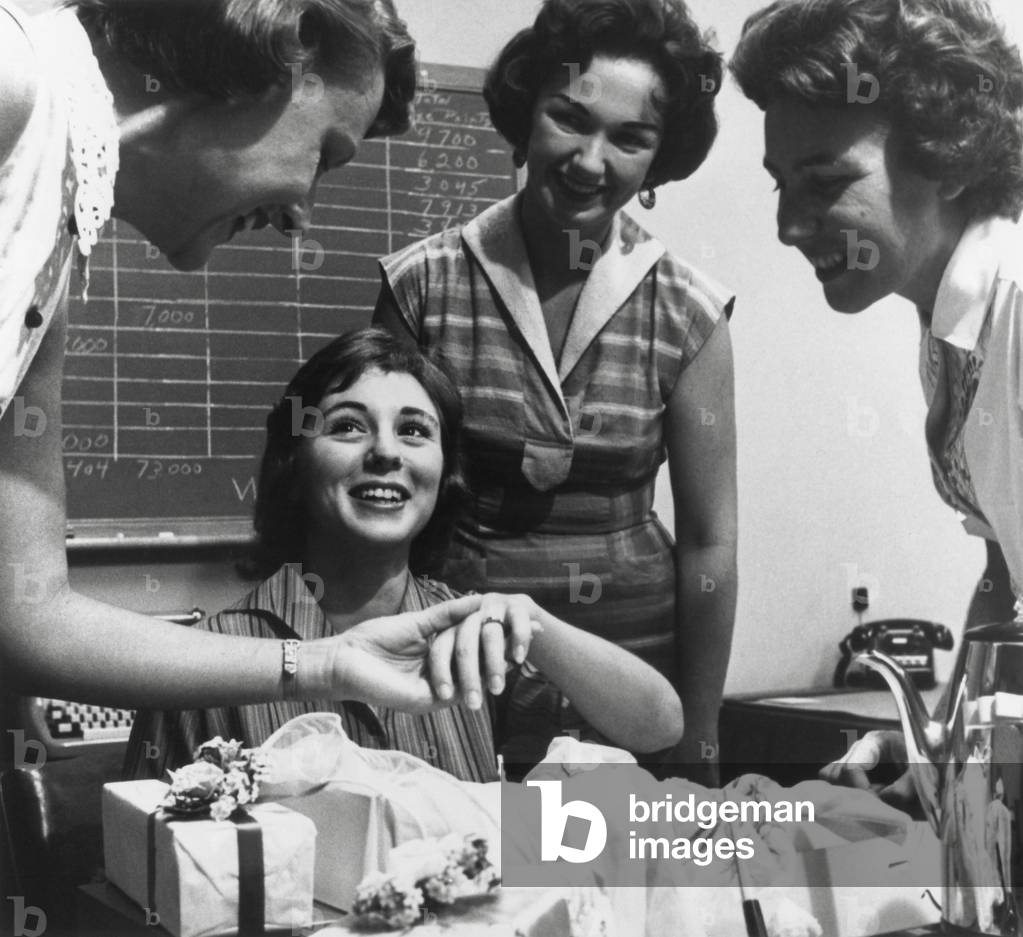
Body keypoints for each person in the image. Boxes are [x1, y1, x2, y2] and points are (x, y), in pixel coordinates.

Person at [0, 0, 498, 725]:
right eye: (323, 155)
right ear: (277, 50)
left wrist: (326, 660)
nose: (302, 211)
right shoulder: (14, 83)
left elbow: (28, 618)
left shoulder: (54, 249)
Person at [373, 0, 738, 780]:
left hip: (633, 673)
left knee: (610, 885)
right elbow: (381, 513)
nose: (589, 160)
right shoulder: (421, 285)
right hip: (465, 661)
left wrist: (697, 736)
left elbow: (710, 541)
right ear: (524, 112)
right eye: (569, 119)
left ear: (658, 156)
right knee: (469, 877)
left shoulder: (690, 309)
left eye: (630, 138)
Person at [126, 328, 685, 783]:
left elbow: (659, 724)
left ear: (444, 478)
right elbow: (140, 869)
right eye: (347, 426)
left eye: (415, 431)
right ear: (292, 467)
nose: (386, 452)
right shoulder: (206, 662)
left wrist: (534, 622)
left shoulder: (472, 638)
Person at [730, 0, 1023, 799]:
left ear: (952, 158)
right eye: (782, 186)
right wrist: (946, 751)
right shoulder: (952, 317)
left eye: (825, 180)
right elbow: (1004, 571)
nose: (789, 226)